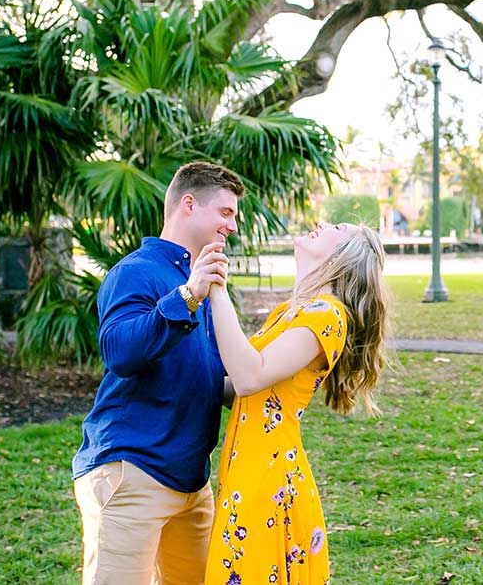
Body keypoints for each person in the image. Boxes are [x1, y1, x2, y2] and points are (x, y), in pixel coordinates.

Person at [71, 161, 244, 585]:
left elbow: (212, 376)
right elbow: (120, 352)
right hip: (132, 471)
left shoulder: (202, 280)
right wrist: (187, 297)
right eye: (226, 212)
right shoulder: (135, 271)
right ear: (189, 204)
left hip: (192, 481)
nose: (233, 226)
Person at [203, 221, 392, 585]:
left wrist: (217, 292)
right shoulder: (289, 312)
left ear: (343, 255)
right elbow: (242, 390)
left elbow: (249, 376)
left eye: (336, 227)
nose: (320, 223)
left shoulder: (328, 316)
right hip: (247, 471)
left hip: (270, 480)